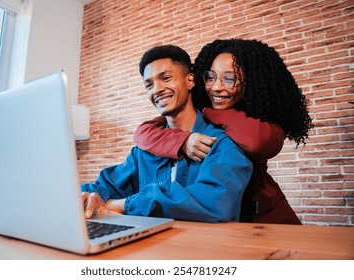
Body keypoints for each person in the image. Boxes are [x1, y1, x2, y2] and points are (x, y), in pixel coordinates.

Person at [134, 39, 314, 224]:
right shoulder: (201, 113)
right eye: (210, 77)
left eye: (229, 78)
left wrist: (209, 113)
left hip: (266, 221)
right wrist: (183, 141)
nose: (216, 87)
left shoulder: (259, 124)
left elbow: (259, 141)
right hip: (229, 225)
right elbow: (143, 133)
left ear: (250, 82)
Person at [81, 44, 253, 223]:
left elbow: (216, 203)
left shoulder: (221, 141)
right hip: (152, 245)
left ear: (190, 81)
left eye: (166, 78)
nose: (157, 89)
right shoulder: (144, 151)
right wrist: (88, 197)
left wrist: (124, 204)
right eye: (149, 85)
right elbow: (106, 185)